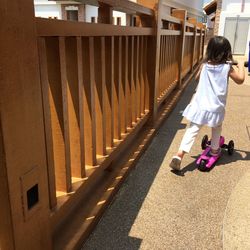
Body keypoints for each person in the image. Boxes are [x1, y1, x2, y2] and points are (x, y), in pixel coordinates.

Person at [169, 36, 245, 171]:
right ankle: (215, 151)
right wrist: (240, 66)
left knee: (192, 129)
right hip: (215, 108)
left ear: (209, 51)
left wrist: (204, 67)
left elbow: (197, 79)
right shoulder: (227, 68)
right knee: (216, 129)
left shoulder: (204, 65)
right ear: (227, 52)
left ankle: (179, 155)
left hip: (199, 106)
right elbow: (240, 80)